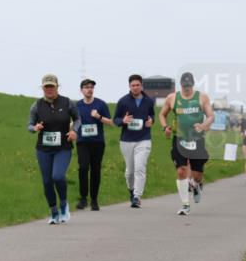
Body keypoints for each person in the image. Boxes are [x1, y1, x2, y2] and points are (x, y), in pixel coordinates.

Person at [158, 72, 215, 215]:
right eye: (185, 86)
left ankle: (196, 185)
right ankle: (185, 204)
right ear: (181, 85)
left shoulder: (202, 97)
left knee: (197, 175)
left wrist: (203, 125)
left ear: (193, 85)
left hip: (197, 140)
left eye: (189, 86)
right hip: (179, 139)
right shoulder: (172, 98)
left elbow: (211, 116)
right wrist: (165, 127)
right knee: (181, 170)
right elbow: (162, 114)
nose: (187, 89)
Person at [27, 75, 79, 224]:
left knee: (57, 176)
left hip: (63, 147)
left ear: (57, 87)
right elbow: (29, 125)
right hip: (43, 149)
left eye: (52, 86)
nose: (49, 89)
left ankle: (63, 204)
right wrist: (35, 128)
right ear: (42, 88)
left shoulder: (67, 103)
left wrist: (74, 131)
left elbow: (77, 119)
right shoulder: (36, 106)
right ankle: (54, 212)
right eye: (46, 87)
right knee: (47, 181)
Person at [113, 74, 155, 208]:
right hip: (127, 140)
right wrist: (123, 120)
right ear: (129, 86)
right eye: (133, 85)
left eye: (137, 85)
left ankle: (137, 196)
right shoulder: (123, 101)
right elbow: (115, 120)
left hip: (144, 139)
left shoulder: (149, 101)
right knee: (130, 171)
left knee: (140, 167)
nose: (135, 87)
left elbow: (151, 115)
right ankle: (131, 191)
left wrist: (151, 121)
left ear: (142, 86)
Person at [74, 78, 112, 211]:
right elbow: (72, 121)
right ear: (81, 90)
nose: (89, 89)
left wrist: (98, 117)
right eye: (86, 87)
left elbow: (110, 122)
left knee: (95, 170)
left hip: (97, 142)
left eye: (91, 87)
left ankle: (94, 200)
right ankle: (83, 198)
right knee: (83, 168)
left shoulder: (101, 104)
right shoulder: (77, 106)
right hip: (82, 142)